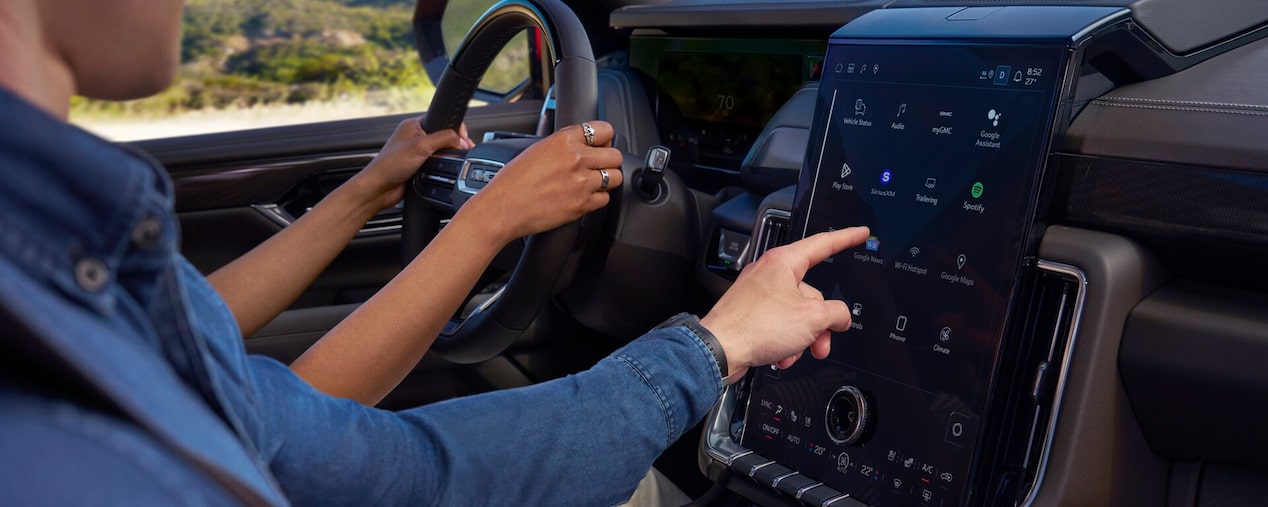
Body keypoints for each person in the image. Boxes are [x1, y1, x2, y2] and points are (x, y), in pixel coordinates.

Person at [0, 0, 868, 505]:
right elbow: (403, 466)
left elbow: (210, 348)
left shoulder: (54, 281)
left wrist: (367, 190)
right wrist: (712, 344)